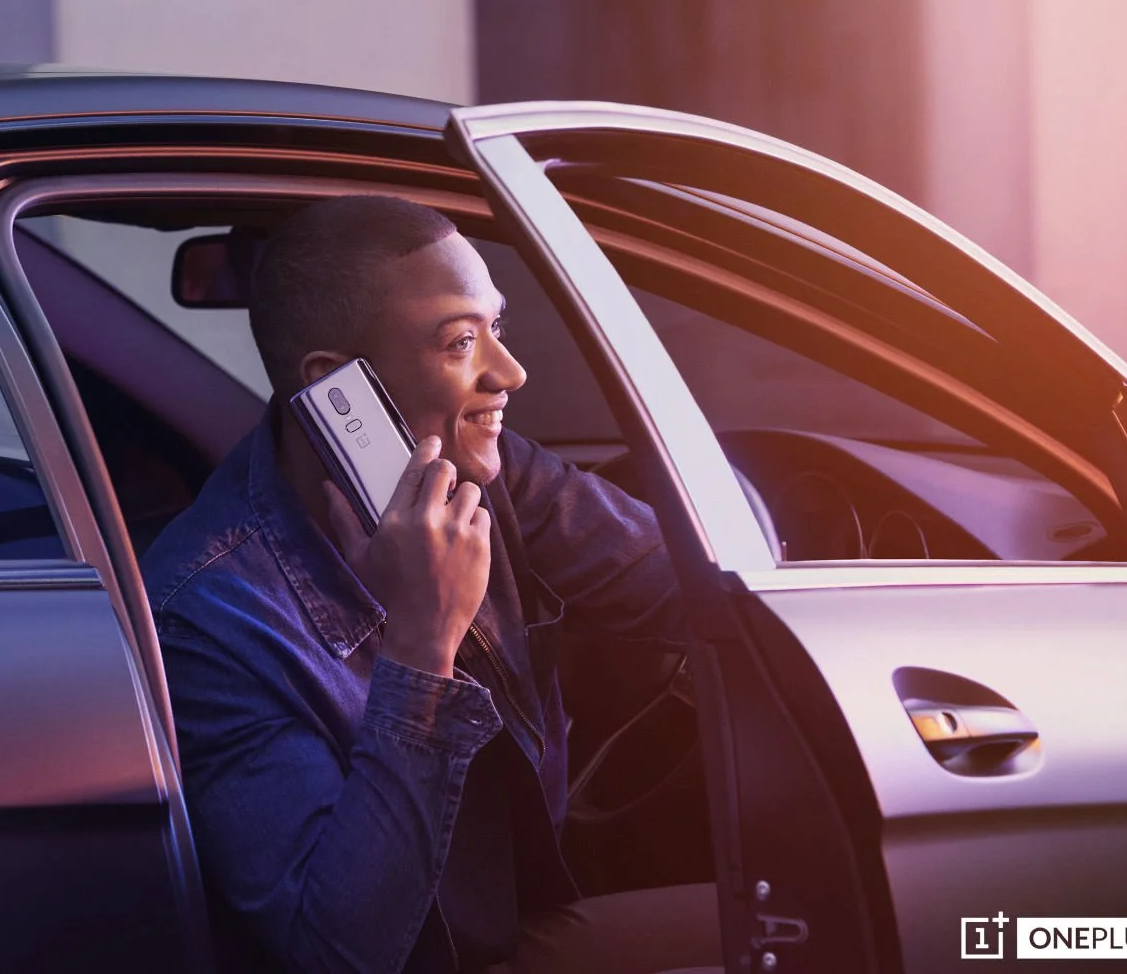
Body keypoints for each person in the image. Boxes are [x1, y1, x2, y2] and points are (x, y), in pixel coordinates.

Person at [140, 196, 722, 974]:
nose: (509, 372)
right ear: (339, 391)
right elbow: (336, 953)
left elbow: (699, 594)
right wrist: (421, 649)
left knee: (799, 913)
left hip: (521, 922)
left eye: (498, 328)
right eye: (460, 341)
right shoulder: (214, 616)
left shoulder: (486, 471)